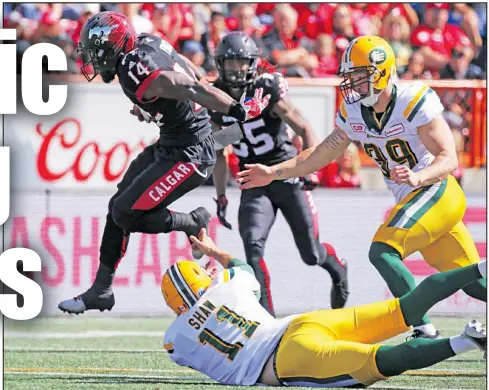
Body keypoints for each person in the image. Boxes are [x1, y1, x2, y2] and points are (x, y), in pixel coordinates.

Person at [236, 35, 487, 339]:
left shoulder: (412, 100)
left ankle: (424, 329)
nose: (352, 84)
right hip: (416, 200)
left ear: (380, 72)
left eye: (358, 76)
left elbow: (449, 159)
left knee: (382, 251)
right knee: (474, 283)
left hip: (436, 191)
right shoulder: (355, 113)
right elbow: (318, 155)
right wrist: (273, 172)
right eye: (350, 77)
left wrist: (419, 177)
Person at [58, 11, 271, 314]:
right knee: (118, 205)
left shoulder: (133, 68)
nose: (93, 60)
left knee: (125, 213)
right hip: (173, 144)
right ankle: (101, 290)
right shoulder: (145, 45)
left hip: (189, 154)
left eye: (96, 52)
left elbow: (190, 87)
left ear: (114, 45)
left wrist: (237, 109)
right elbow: (185, 76)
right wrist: (153, 108)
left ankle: (192, 222)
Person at [161, 227, 486, 388]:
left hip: (286, 360)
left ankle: (467, 341)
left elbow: (186, 342)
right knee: (404, 309)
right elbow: (242, 266)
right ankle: (479, 269)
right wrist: (214, 252)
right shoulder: (228, 285)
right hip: (301, 324)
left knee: (380, 361)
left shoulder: (175, 341)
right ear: (201, 280)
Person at [209, 31, 349, 316]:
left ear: (252, 64)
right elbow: (220, 152)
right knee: (253, 248)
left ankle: (337, 270)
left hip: (285, 174)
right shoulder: (215, 98)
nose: (236, 70)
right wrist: (221, 194)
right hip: (252, 180)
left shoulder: (266, 90)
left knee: (310, 254)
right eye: (230, 64)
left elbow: (304, 129)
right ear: (220, 65)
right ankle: (267, 320)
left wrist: (309, 171)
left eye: (241, 63)